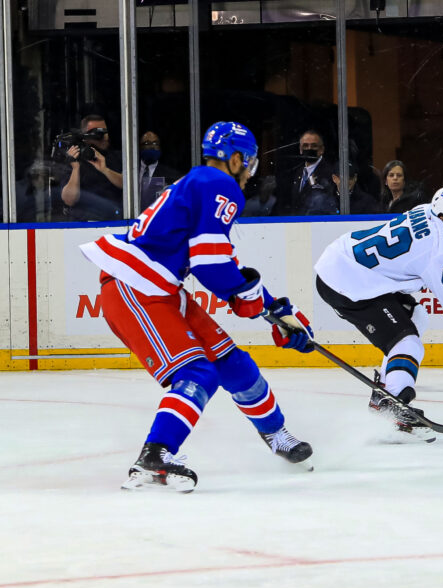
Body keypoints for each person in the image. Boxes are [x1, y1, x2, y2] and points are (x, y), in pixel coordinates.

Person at [78, 121, 316, 492]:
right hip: (135, 285)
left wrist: (274, 308)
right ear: (236, 159)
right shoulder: (220, 185)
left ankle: (276, 435)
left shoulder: (200, 183)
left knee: (231, 361)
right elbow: (210, 266)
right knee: (198, 373)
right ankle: (155, 455)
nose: (250, 171)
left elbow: (223, 264)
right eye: (249, 162)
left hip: (158, 285)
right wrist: (249, 301)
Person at [313, 185, 443, 441]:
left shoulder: (426, 211)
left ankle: (386, 392)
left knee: (416, 317)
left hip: (342, 259)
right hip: (346, 284)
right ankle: (392, 405)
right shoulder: (442, 250)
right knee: (408, 342)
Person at [60, 114, 124, 221]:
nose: (105, 137)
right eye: (99, 133)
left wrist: (105, 170)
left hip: (115, 220)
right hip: (83, 224)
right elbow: (69, 200)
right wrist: (76, 169)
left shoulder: (118, 157)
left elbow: (128, 186)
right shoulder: (75, 159)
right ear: (85, 137)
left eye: (105, 132)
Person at [275, 129, 341, 216]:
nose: (309, 149)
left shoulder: (331, 174)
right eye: (305, 146)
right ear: (300, 149)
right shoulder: (295, 173)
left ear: (322, 149)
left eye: (314, 146)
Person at [139, 131, 183, 207]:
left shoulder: (170, 174)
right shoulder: (131, 170)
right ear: (139, 147)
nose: (152, 147)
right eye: (147, 143)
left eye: (155, 143)